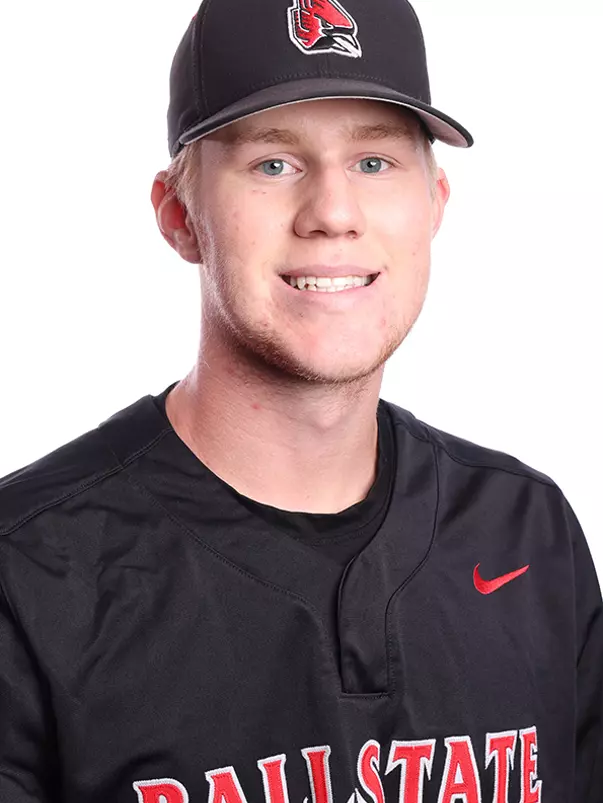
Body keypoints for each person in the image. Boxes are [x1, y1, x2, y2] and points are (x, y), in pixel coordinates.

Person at [1, 0, 601, 800]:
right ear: (179, 216)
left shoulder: (527, 531)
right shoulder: (32, 569)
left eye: (374, 162)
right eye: (273, 163)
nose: (332, 214)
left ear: (435, 205)